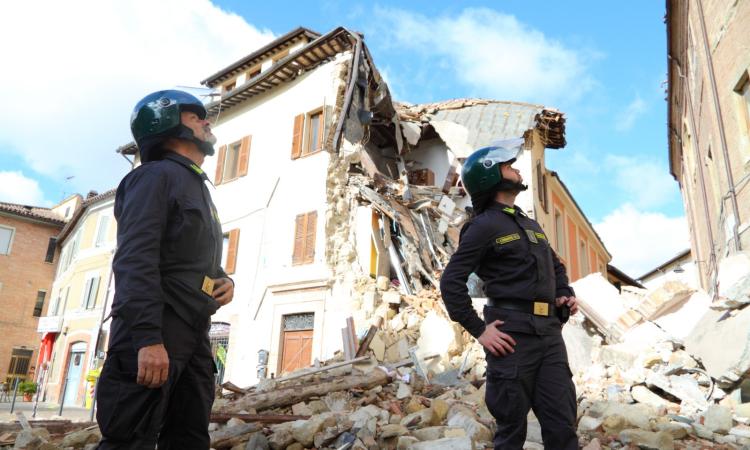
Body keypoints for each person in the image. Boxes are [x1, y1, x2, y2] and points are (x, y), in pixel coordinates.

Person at [96, 90, 234, 449]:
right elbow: (134, 259)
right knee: (129, 439)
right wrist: (147, 339)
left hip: (192, 330)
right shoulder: (154, 176)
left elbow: (186, 256)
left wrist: (223, 280)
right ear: (166, 124)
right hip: (156, 328)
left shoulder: (195, 185)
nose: (206, 122)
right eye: (194, 117)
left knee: (188, 438)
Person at [440, 139, 579, 450]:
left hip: (549, 336)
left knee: (563, 425)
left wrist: (564, 293)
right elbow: (451, 282)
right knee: (511, 429)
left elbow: (555, 266)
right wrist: (479, 331)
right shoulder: (482, 226)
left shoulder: (531, 224)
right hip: (511, 337)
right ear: (491, 176)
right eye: (509, 166)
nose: (516, 170)